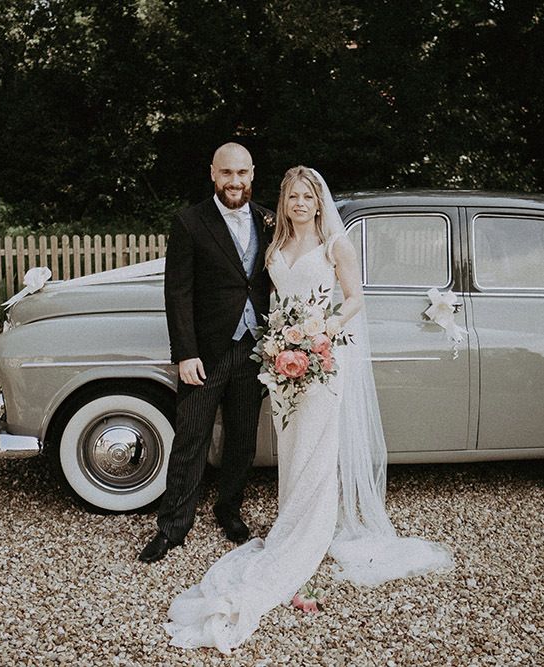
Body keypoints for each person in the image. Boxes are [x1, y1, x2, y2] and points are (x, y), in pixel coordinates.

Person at [163, 166, 454, 654]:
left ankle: (303, 542)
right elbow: (262, 295)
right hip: (280, 363)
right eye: (293, 196)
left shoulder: (334, 245)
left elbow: (355, 299)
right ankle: (290, 524)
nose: (300, 203)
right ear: (285, 200)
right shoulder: (275, 245)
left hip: (320, 360)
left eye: (308, 196)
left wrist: (322, 332)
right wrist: (280, 343)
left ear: (320, 202)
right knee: (292, 450)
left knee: (318, 453)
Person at [138, 142, 274, 563]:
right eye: (227, 173)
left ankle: (229, 510)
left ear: (252, 174)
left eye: (242, 173)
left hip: (253, 349)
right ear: (213, 174)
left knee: (242, 440)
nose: (235, 182)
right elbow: (177, 293)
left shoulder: (269, 220)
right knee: (191, 439)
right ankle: (173, 527)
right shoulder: (189, 222)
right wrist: (186, 353)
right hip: (207, 354)